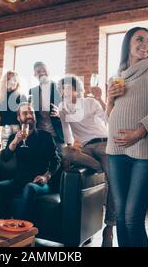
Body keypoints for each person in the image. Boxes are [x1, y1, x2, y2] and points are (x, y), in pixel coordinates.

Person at [106, 27, 148, 247]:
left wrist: (138, 133)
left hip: (145, 151)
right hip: (115, 151)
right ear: (128, 45)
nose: (146, 44)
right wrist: (110, 100)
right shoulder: (117, 75)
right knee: (121, 217)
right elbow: (109, 117)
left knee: (132, 218)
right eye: (140, 39)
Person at [55, 75, 115, 247]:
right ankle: (100, 169)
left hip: (103, 142)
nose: (63, 92)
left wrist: (101, 99)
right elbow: (67, 132)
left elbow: (107, 119)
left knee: (114, 184)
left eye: (67, 88)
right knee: (65, 152)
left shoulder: (90, 102)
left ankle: (109, 227)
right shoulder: (63, 108)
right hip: (85, 148)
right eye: (61, 89)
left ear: (76, 90)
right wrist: (70, 147)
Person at [0, 102, 61, 222]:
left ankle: (18, 228)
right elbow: (5, 158)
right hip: (19, 180)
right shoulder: (14, 137)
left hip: (40, 183)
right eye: (25, 113)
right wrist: (15, 142)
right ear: (18, 118)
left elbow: (56, 160)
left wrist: (46, 177)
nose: (29, 115)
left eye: (31, 112)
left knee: (30, 188)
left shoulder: (46, 137)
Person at [29, 62, 64, 151]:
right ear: (34, 75)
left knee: (59, 161)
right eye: (38, 71)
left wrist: (61, 113)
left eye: (44, 70)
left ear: (49, 71)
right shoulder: (32, 91)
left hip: (57, 135)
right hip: (40, 135)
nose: (41, 73)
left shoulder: (60, 88)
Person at [0, 70, 27, 147]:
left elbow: (25, 120)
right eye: (8, 79)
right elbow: (0, 123)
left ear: (17, 83)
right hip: (5, 130)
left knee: (19, 154)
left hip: (18, 130)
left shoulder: (22, 98)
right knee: (5, 155)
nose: (12, 82)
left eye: (14, 80)